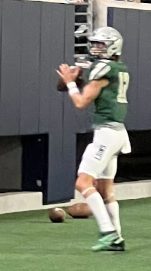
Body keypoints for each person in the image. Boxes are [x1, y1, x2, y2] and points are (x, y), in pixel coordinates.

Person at [56, 27, 130, 252]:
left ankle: (108, 232)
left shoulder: (103, 68)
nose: (96, 48)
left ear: (113, 46)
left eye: (101, 45)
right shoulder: (117, 68)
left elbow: (80, 102)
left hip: (106, 133)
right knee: (106, 189)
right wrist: (71, 80)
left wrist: (71, 83)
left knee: (83, 183)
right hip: (118, 132)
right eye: (95, 44)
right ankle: (117, 236)